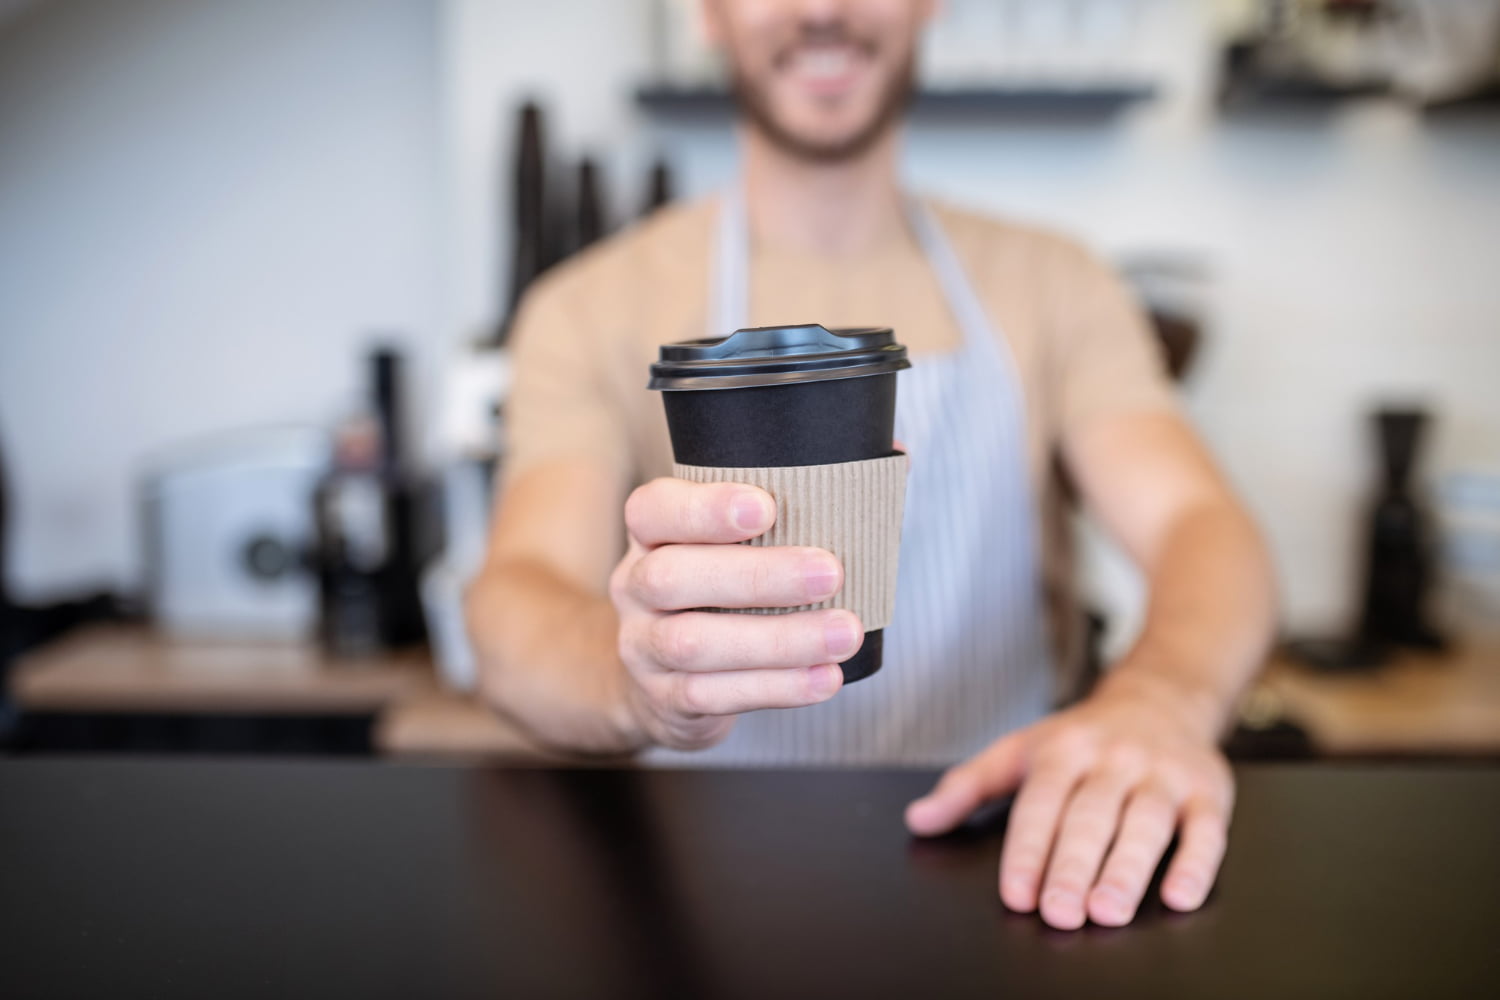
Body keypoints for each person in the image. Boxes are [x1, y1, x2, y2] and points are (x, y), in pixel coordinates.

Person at [465, 0, 1275, 932]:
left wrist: (1160, 700)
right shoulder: (587, 308)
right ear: (706, 13)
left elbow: (1198, 524)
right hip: (705, 891)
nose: (822, 10)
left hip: (1005, 867)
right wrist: (637, 680)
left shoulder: (1055, 283)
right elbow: (515, 597)